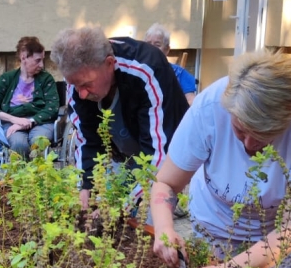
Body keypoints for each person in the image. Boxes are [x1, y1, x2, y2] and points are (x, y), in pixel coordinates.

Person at [151, 50, 291, 268]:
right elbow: (166, 183)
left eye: (261, 136)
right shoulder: (209, 107)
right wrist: (164, 229)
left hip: (280, 230)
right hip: (215, 220)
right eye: (239, 130)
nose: (248, 145)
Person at [51, 26, 189, 207]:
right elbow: (87, 139)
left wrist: (124, 206)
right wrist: (86, 187)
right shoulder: (77, 81)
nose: (81, 94)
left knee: (149, 214)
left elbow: (158, 157)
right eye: (75, 85)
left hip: (168, 155)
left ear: (109, 64)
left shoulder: (147, 69)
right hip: (125, 156)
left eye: (86, 85)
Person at [0, 36, 60, 158]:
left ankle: (40, 176)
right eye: (37, 60)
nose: (41, 65)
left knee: (39, 143)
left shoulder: (46, 79)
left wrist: (28, 121)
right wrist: (14, 120)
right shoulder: (7, 78)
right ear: (24, 57)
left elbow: (52, 108)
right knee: (19, 145)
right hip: (12, 123)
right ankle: (21, 176)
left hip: (41, 122)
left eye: (42, 60)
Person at [144, 23, 197, 103]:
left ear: (167, 50)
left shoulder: (179, 73)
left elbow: (191, 100)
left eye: (157, 45)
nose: (152, 48)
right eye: (148, 44)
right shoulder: (138, 71)